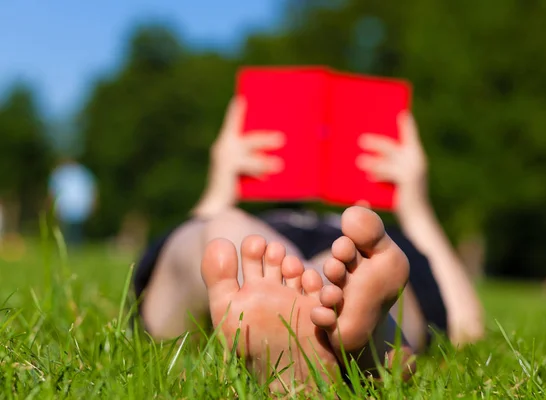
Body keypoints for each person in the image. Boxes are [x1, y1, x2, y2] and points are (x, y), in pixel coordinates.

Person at [132, 97, 484, 390]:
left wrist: (415, 207)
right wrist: (221, 187)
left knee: (350, 269)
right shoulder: (259, 218)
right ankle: (362, 338)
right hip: (263, 239)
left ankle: (346, 323)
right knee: (227, 233)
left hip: (339, 250)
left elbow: (467, 326)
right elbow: (466, 322)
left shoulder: (381, 242)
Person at [48, 159, 97, 246]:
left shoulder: (83, 173)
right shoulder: (60, 173)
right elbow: (52, 190)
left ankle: (75, 247)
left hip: (79, 207)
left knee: (76, 230)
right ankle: (68, 246)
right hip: (65, 207)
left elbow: (92, 189)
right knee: (66, 230)